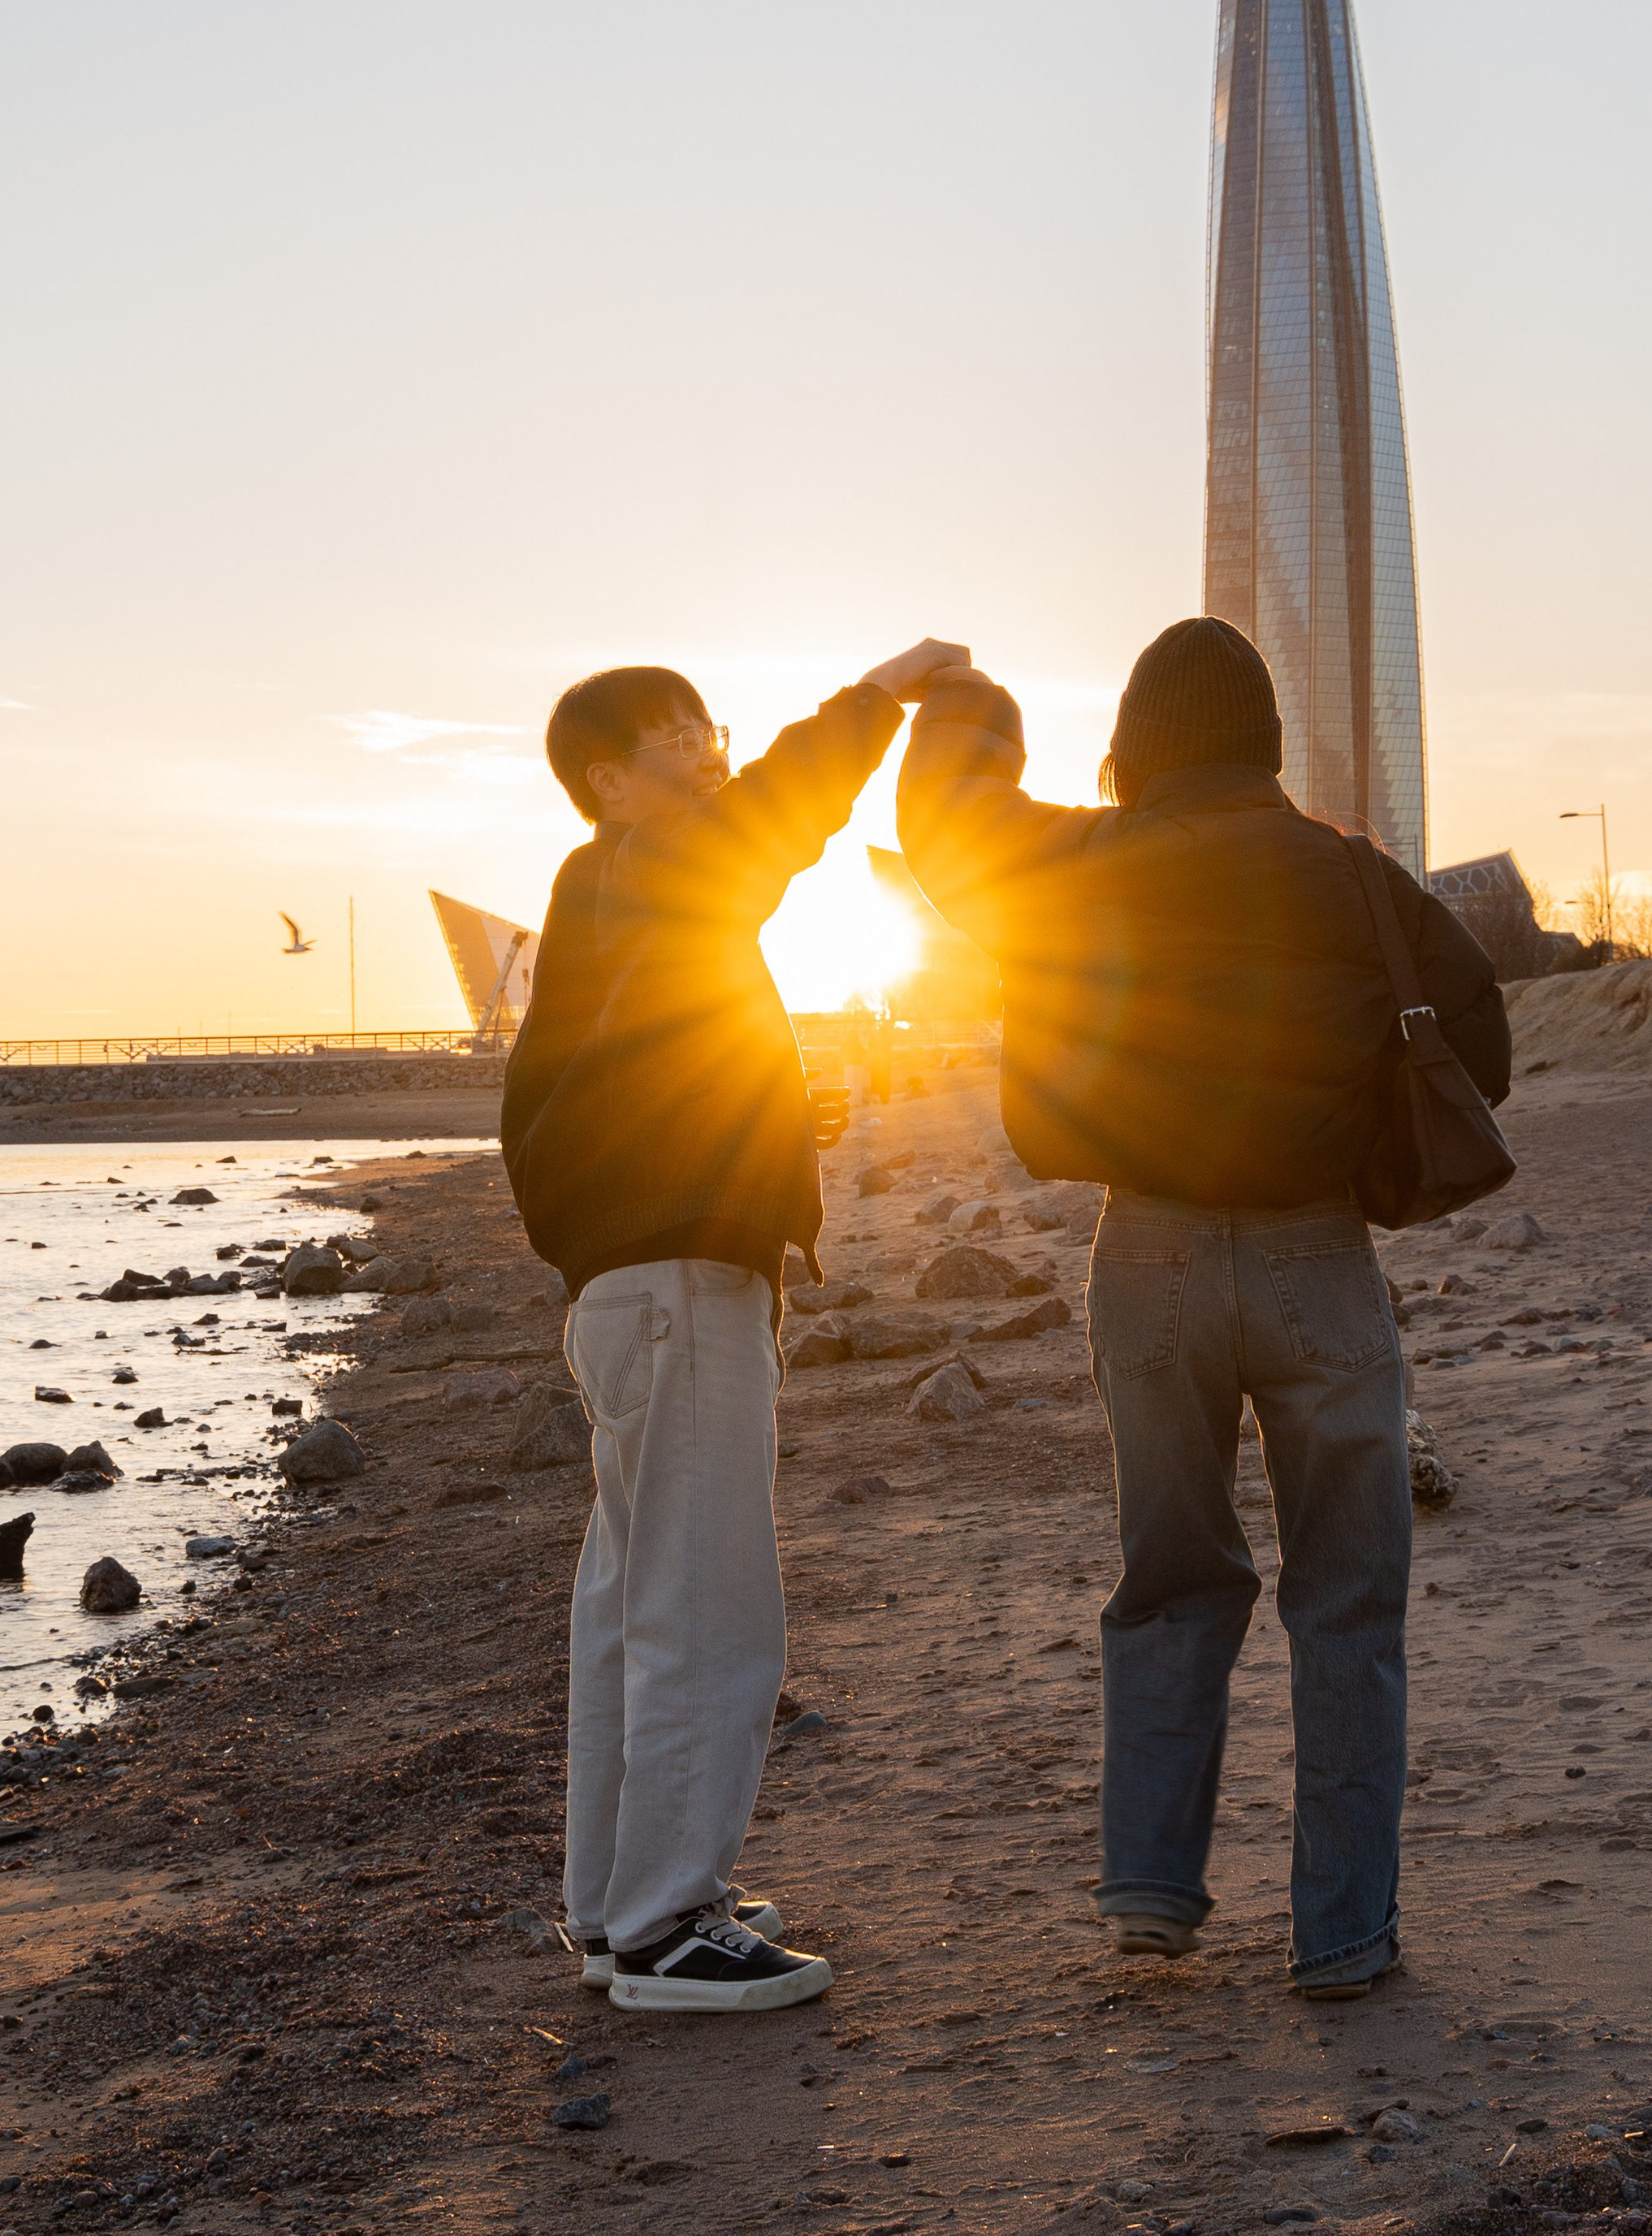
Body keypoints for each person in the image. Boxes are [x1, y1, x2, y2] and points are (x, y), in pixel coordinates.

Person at [894, 617, 1509, 2001]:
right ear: (1268, 741)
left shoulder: (1083, 860)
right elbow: (1479, 1037)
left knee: (1171, 1573)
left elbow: (945, 829)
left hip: (1150, 1253)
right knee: (1348, 1600)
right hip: (1317, 1257)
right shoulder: (1353, 872)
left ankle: (1152, 1890)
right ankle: (1343, 1937)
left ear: (1136, 742)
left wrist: (963, 700)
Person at [504, 640, 967, 2013]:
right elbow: (780, 809)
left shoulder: (611, 892)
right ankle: (667, 1922)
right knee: (704, 1604)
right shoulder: (658, 864)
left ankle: (615, 1906)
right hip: (675, 1287)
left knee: (631, 1599)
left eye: (712, 728)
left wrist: (762, 1125)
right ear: (610, 779)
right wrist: (881, 694)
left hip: (631, 1286)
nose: (712, 753)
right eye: (681, 738)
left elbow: (650, 1080)